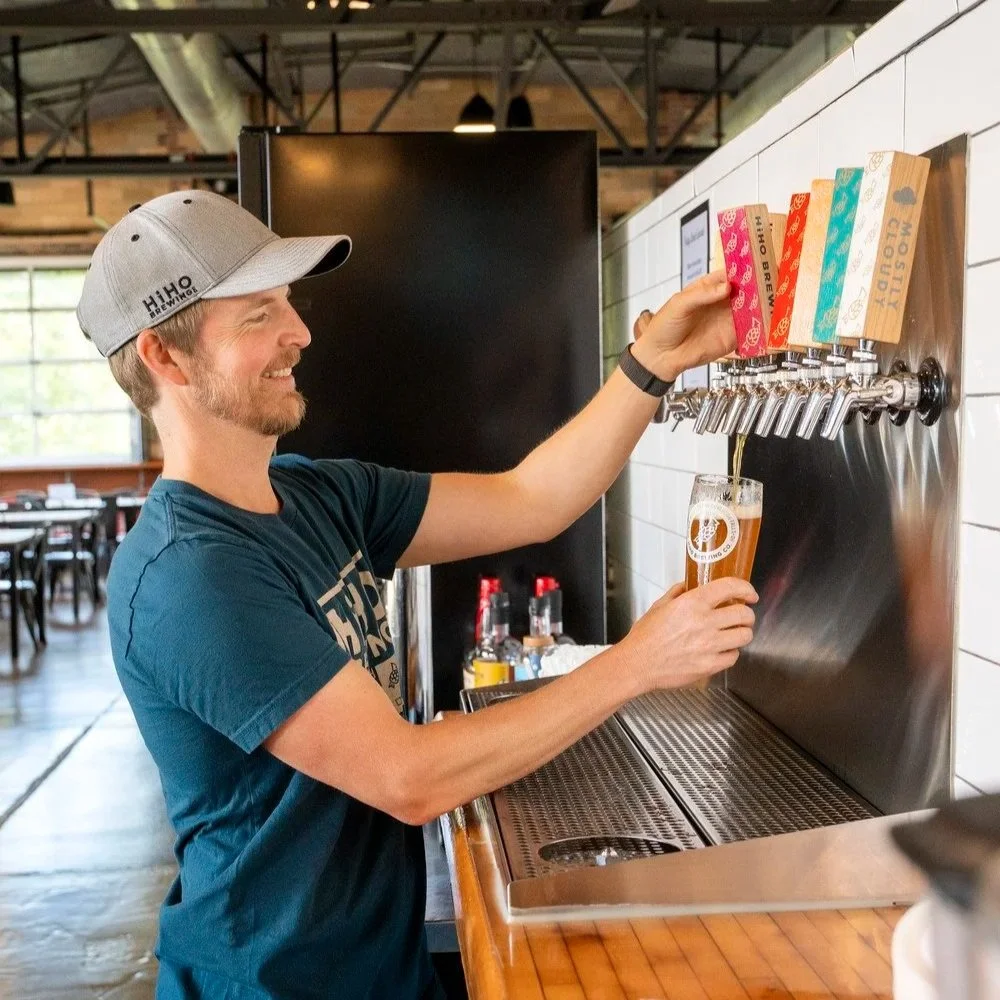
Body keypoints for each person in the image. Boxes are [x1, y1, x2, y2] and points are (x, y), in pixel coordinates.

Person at [77, 190, 757, 1000]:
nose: (300, 332)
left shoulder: (317, 496)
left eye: (288, 303)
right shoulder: (189, 576)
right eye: (258, 314)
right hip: (273, 986)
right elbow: (410, 778)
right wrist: (636, 664)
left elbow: (532, 498)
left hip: (379, 972)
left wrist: (654, 367)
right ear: (165, 355)